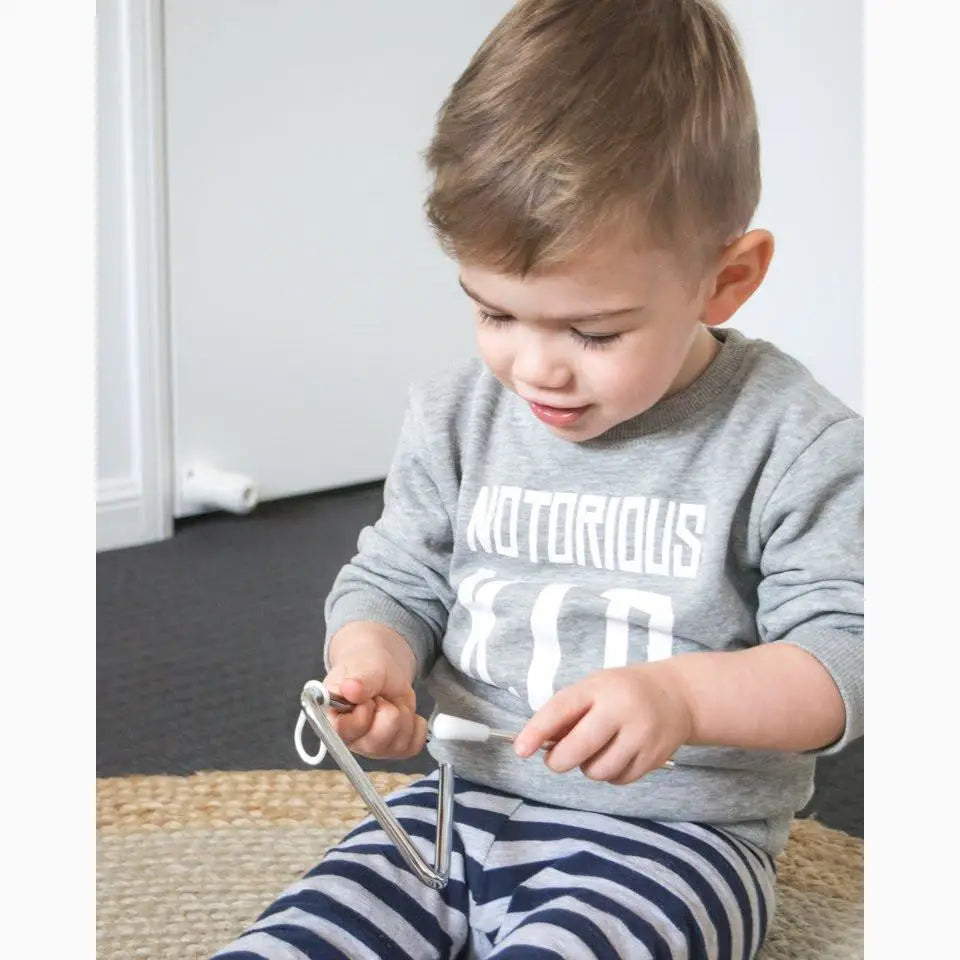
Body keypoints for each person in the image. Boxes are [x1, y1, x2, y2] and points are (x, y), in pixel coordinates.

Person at [213, 0, 862, 956]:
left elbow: (850, 659)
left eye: (593, 333)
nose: (535, 369)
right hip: (448, 807)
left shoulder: (791, 439)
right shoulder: (456, 414)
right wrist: (372, 661)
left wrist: (681, 700)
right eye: (495, 314)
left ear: (725, 280)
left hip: (676, 840)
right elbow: (396, 579)